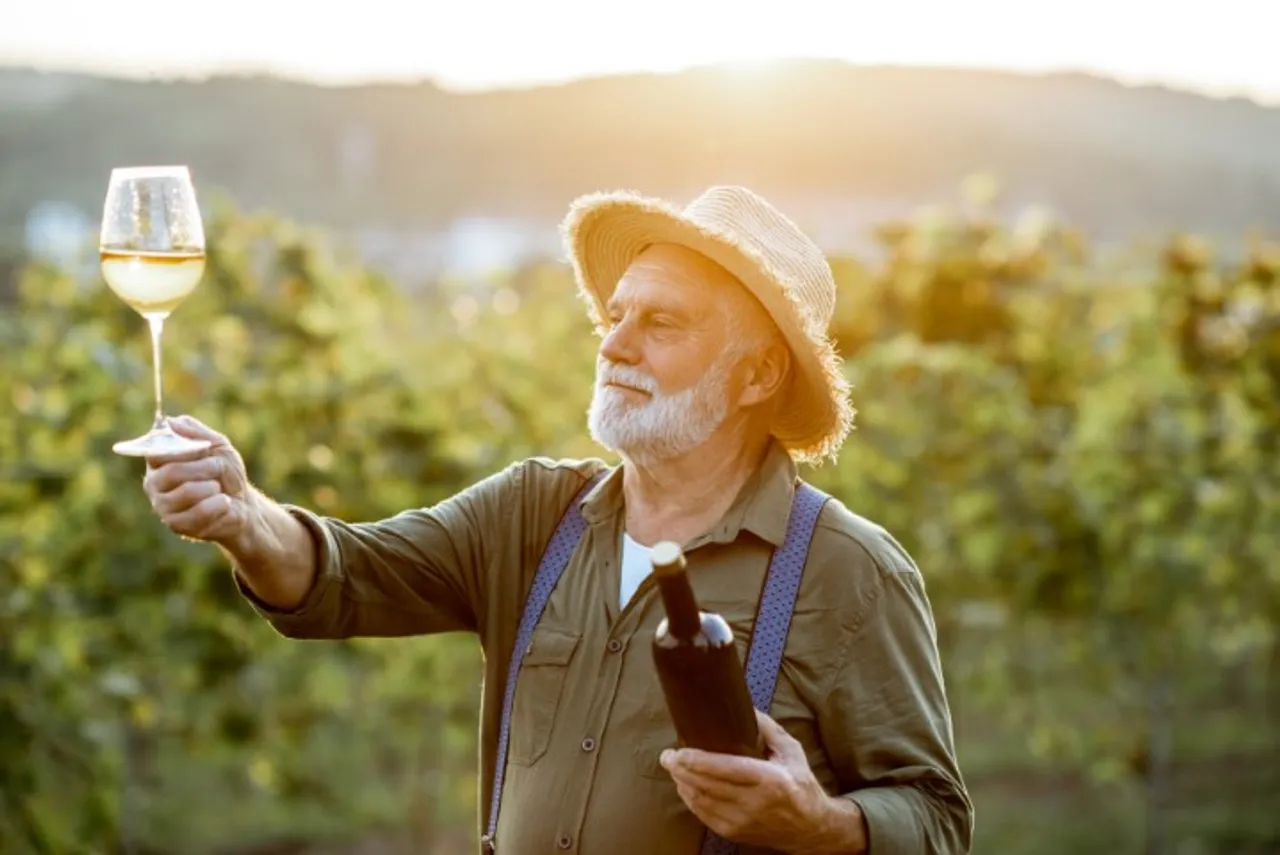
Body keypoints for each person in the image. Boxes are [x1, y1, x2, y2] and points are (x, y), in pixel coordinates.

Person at [143, 185, 973, 855]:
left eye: (662, 322)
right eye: (616, 315)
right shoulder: (533, 516)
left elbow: (936, 819)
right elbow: (345, 576)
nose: (616, 345)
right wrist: (241, 513)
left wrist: (822, 827)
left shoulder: (847, 570)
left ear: (756, 374)